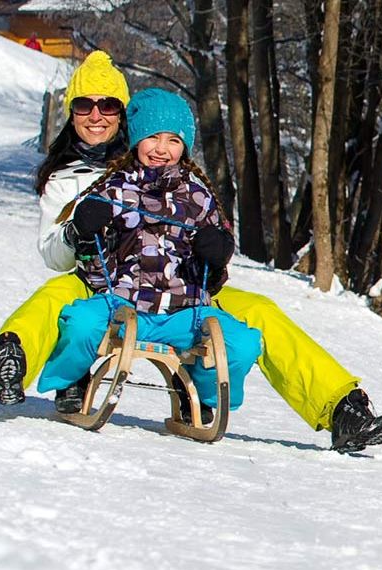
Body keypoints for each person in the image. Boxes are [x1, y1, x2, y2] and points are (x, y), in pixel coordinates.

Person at [0, 51, 382, 452]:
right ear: (71, 112)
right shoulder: (71, 178)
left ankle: (341, 407)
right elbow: (56, 256)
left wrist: (215, 257)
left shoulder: (171, 167)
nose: (96, 116)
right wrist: (78, 231)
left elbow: (208, 223)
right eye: (85, 105)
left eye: (108, 106)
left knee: (260, 312)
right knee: (57, 299)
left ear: (126, 116)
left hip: (180, 289)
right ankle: (10, 358)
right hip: (103, 281)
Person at [32, 88, 260, 413]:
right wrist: (84, 230)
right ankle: (69, 379)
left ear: (185, 147)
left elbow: (212, 278)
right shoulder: (112, 189)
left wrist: (216, 254)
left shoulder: (199, 198)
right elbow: (93, 266)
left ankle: (200, 390)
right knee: (80, 322)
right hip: (121, 303)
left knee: (243, 343)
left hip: (184, 312)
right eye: (153, 137)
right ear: (137, 139)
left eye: (173, 140)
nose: (162, 150)